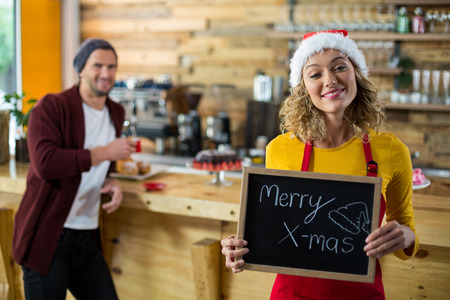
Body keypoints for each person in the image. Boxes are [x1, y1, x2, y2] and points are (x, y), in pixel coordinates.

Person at [221, 30, 418, 300]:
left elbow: (406, 227)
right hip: (292, 295)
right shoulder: (279, 150)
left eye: (339, 67)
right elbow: (271, 229)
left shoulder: (392, 150)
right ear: (303, 88)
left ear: (356, 74)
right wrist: (238, 247)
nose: (330, 80)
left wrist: (405, 236)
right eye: (315, 74)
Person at [12, 38, 136, 299]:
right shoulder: (52, 107)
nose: (106, 74)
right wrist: (105, 152)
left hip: (86, 234)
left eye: (112, 67)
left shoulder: (116, 111)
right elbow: (45, 164)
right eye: (98, 66)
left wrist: (109, 181)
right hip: (47, 235)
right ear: (80, 69)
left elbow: (96, 166)